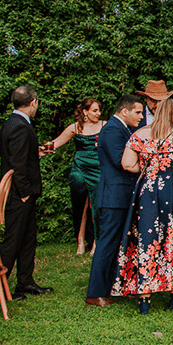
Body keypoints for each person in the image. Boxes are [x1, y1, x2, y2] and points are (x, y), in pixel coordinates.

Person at [111, 98, 173, 314]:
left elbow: (127, 163)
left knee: (146, 238)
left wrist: (148, 169)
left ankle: (145, 297)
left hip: (147, 190)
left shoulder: (139, 135)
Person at [0, 86, 52, 302]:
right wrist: (24, 192)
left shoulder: (14, 123)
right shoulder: (20, 127)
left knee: (27, 238)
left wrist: (36, 153)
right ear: (34, 101)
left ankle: (25, 281)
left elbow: (19, 154)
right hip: (19, 194)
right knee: (13, 240)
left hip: (22, 193)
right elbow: (17, 164)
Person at [86, 94, 144, 308]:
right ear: (124, 111)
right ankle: (95, 293)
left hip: (120, 195)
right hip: (113, 196)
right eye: (138, 112)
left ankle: (109, 289)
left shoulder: (121, 129)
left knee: (116, 245)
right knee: (106, 245)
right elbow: (122, 161)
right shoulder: (112, 130)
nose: (141, 116)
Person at [48, 98, 104, 256]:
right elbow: (56, 142)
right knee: (82, 205)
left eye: (99, 110)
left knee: (96, 205)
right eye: (95, 110)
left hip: (98, 168)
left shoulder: (104, 125)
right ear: (85, 112)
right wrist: (41, 149)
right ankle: (81, 241)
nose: (98, 113)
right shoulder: (75, 127)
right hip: (79, 167)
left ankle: (96, 242)